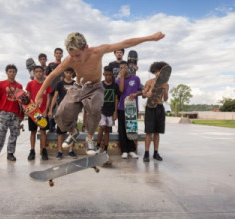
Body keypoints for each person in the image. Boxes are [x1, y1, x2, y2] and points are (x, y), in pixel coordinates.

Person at [35, 31, 165, 155]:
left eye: (78, 55)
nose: (75, 59)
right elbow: (52, 75)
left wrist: (150, 38)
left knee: (95, 109)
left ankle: (90, 138)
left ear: (86, 47)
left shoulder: (98, 51)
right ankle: (73, 132)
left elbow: (125, 43)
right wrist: (40, 94)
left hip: (96, 87)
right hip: (79, 86)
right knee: (60, 113)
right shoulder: (69, 60)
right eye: (72, 55)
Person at [0, 64, 24, 163]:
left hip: (15, 114)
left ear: (16, 73)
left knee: (14, 135)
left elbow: (21, 102)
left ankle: (10, 153)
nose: (12, 73)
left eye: (13, 71)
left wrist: (22, 115)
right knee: (0, 134)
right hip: (4, 113)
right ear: (6, 73)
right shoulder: (1, 84)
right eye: (10, 71)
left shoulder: (19, 86)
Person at [142, 62, 170, 162]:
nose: (158, 73)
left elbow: (166, 99)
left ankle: (156, 153)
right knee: (149, 132)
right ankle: (146, 153)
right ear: (154, 71)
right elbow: (143, 94)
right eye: (157, 71)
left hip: (159, 107)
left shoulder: (165, 84)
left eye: (160, 71)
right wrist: (146, 94)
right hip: (150, 107)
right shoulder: (149, 82)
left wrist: (166, 91)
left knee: (157, 132)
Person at [48, 67, 78, 159]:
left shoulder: (75, 84)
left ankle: (71, 150)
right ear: (64, 73)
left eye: (70, 73)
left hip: (72, 111)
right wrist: (50, 110)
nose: (68, 74)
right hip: (61, 110)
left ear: (72, 73)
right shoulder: (59, 84)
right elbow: (55, 97)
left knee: (72, 131)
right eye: (67, 72)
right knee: (60, 132)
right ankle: (60, 151)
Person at [116, 61, 142, 159]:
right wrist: (121, 77)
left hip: (132, 107)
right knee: (122, 130)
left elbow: (141, 91)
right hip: (122, 108)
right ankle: (124, 151)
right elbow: (121, 91)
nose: (124, 69)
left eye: (125, 67)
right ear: (119, 70)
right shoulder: (118, 81)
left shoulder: (136, 78)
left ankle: (132, 150)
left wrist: (135, 94)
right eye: (121, 68)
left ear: (128, 68)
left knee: (132, 129)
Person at [26, 65, 52, 161]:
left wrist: (47, 110)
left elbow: (48, 97)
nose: (38, 73)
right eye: (36, 71)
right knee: (33, 132)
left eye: (40, 71)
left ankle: (44, 151)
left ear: (43, 72)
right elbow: (27, 98)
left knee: (43, 132)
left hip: (43, 112)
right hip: (33, 112)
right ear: (34, 73)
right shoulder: (30, 84)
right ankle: (32, 151)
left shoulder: (46, 84)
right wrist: (28, 110)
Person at [96, 66, 119, 153]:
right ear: (103, 74)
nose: (108, 77)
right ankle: (98, 146)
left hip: (111, 110)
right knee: (101, 127)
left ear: (112, 75)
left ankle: (105, 148)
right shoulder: (100, 85)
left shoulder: (115, 85)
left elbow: (116, 98)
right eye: (106, 75)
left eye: (110, 75)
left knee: (107, 130)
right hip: (102, 110)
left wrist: (115, 112)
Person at [46, 48, 64, 133]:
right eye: (57, 53)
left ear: (62, 55)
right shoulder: (50, 65)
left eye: (60, 53)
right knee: (51, 108)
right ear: (54, 54)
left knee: (60, 108)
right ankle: (51, 127)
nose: (58, 55)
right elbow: (46, 77)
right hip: (52, 89)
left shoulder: (64, 64)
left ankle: (60, 127)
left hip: (61, 91)